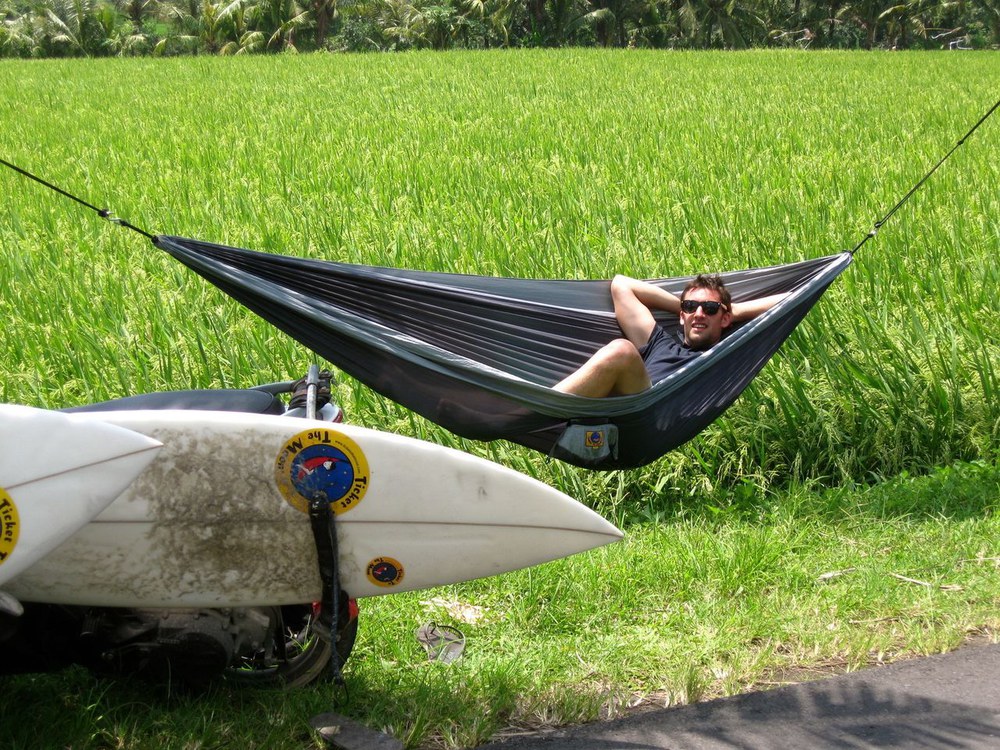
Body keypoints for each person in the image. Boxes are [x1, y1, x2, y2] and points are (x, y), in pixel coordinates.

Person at [553, 273, 786, 398]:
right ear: (681, 315)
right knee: (622, 350)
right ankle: (547, 405)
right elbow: (621, 285)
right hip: (620, 407)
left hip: (650, 411)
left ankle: (545, 407)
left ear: (725, 319)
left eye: (710, 309)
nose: (699, 313)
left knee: (622, 349)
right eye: (691, 306)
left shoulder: (724, 354)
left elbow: (793, 299)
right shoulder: (659, 343)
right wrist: (686, 309)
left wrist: (733, 313)